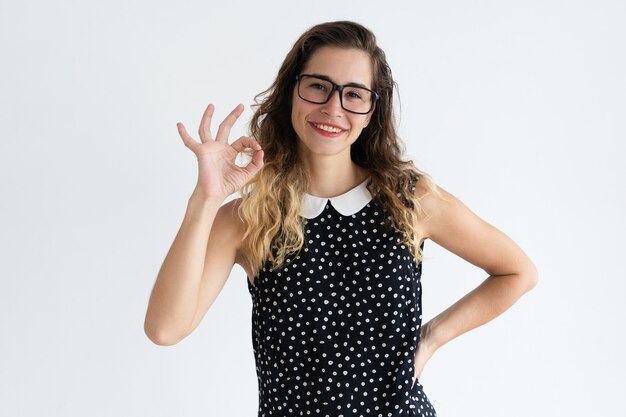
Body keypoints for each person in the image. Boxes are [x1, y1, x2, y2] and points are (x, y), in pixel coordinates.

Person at [144, 21, 538, 417]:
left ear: (371, 111)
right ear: (291, 93)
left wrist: (434, 336)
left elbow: (517, 272)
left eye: (353, 94)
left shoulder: (409, 200)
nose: (333, 108)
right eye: (318, 85)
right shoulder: (249, 218)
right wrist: (206, 199)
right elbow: (165, 329)